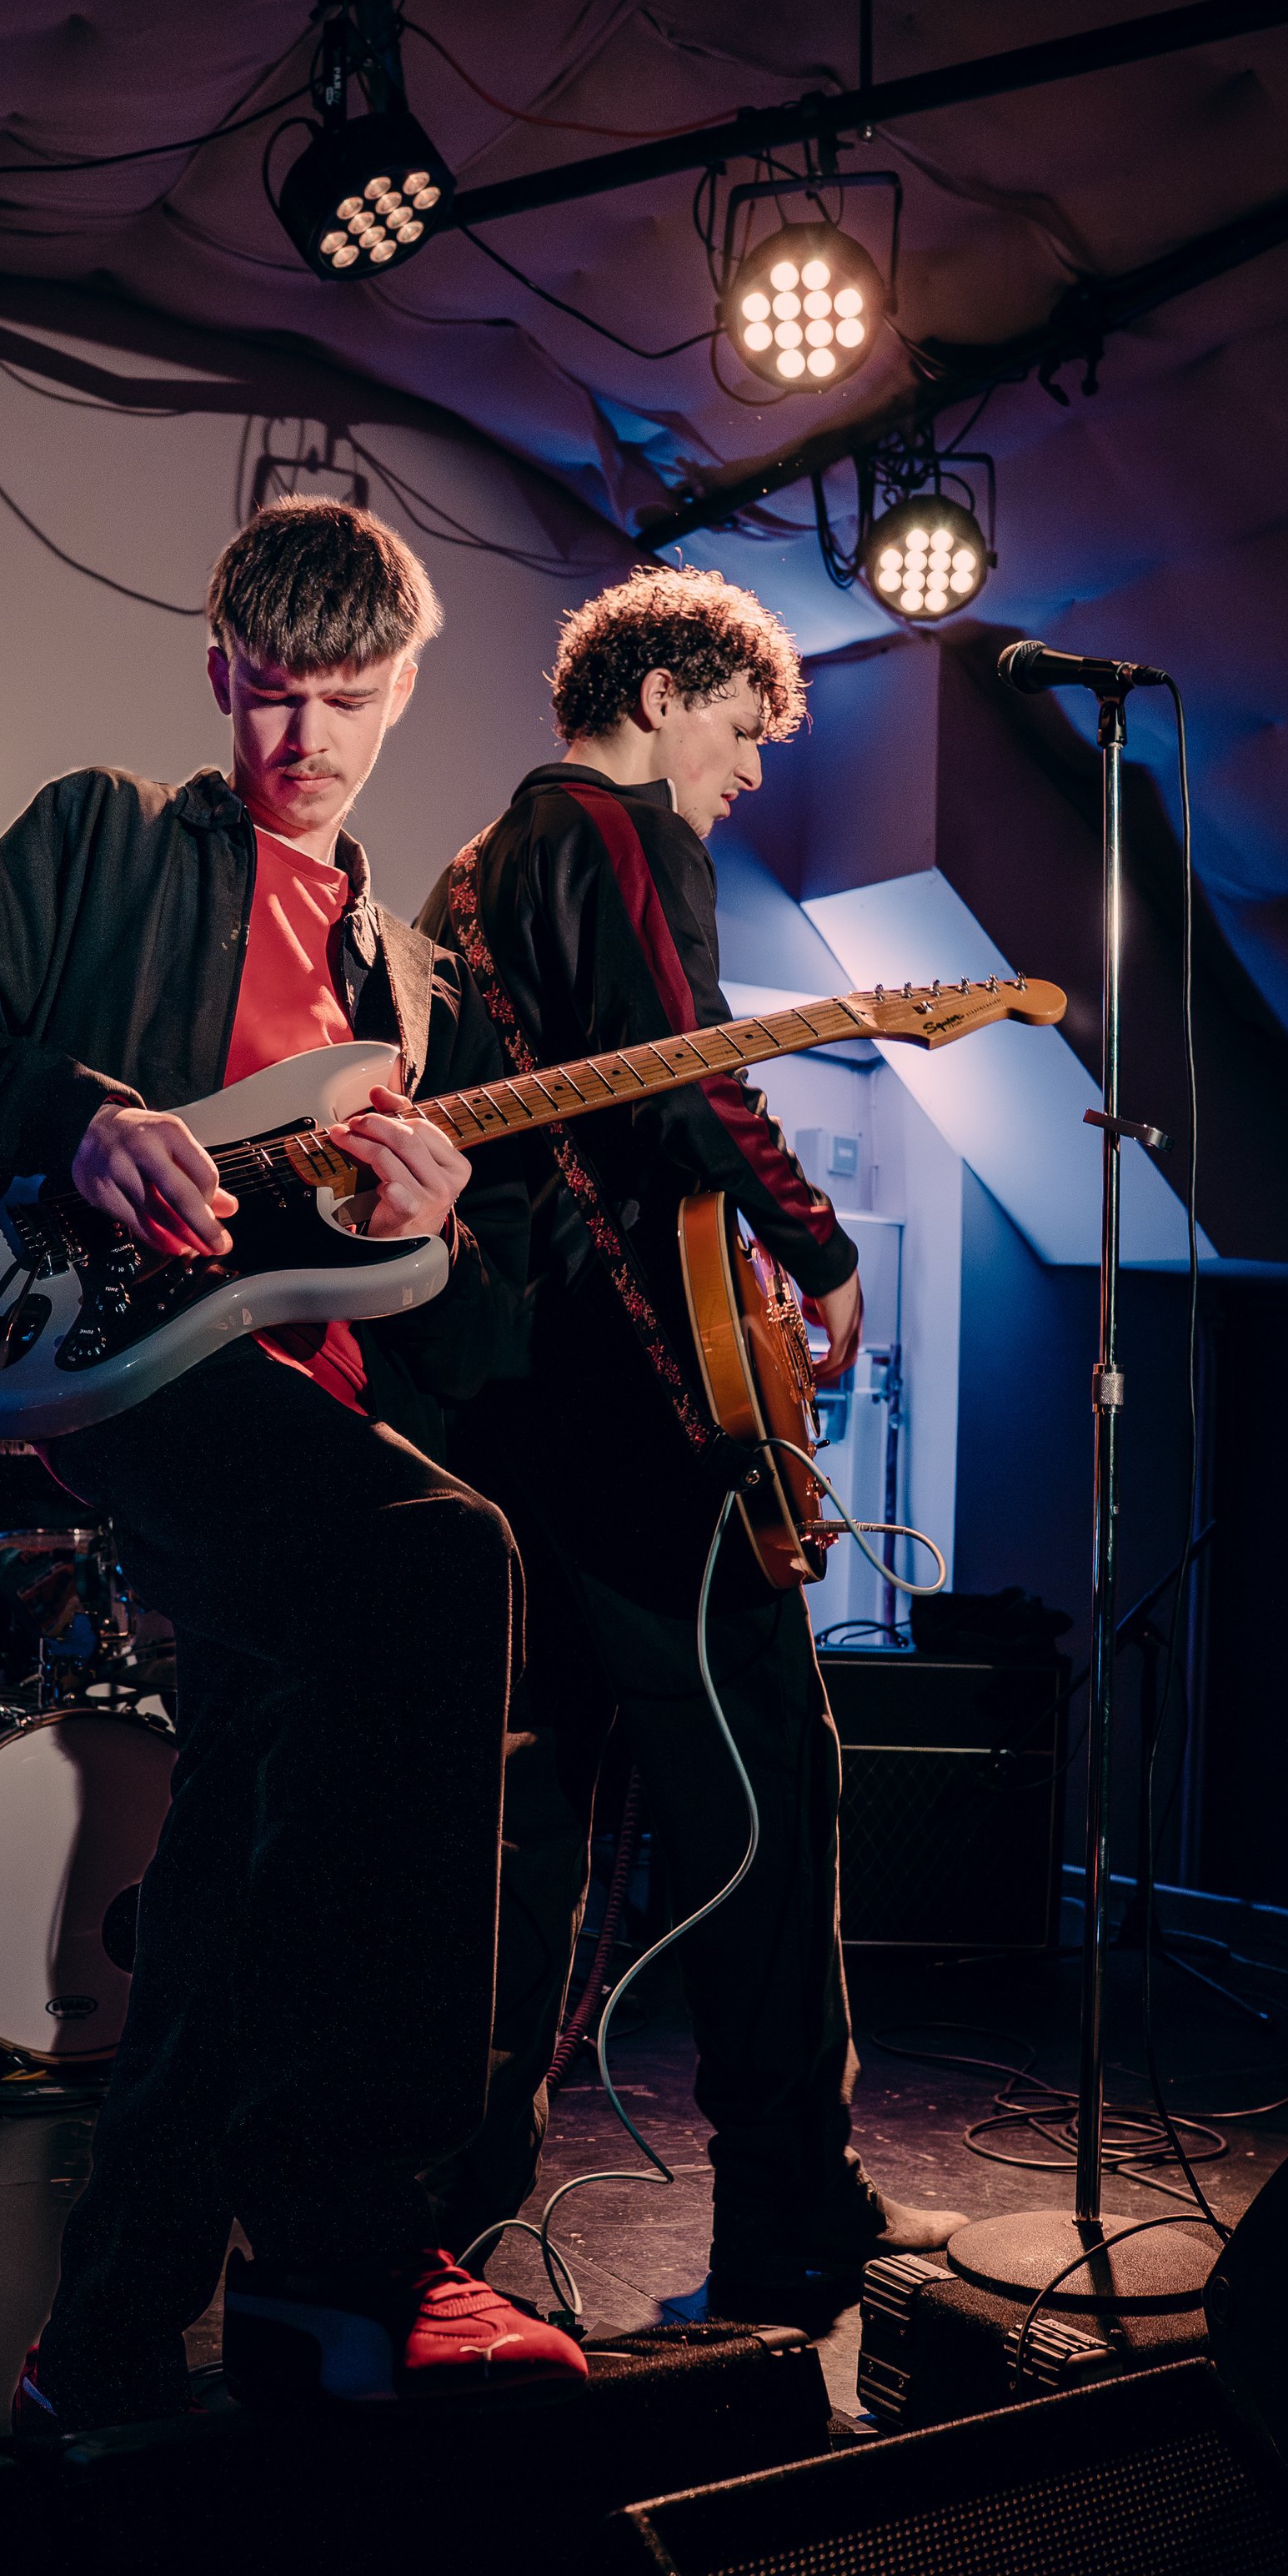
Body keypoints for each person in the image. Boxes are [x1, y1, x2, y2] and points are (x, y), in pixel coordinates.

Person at [0, 498, 586, 2425]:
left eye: (344, 700)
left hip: (298, 1393)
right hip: (102, 1359)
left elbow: (441, 1303)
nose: (302, 741)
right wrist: (74, 1116)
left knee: (239, 1868)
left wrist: (440, 1213)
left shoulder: (409, 983)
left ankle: (101, 2336)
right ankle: (355, 2226)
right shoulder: (104, 832)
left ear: (407, 688)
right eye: (266, 696)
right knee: (437, 1562)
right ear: (214, 674)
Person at [420, 563, 961, 2311]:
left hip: (501, 1413)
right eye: (737, 733)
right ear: (660, 692)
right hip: (635, 1417)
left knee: (534, 1829)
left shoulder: (471, 866)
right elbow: (679, 1067)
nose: (743, 777)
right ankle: (790, 2210)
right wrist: (811, 1246)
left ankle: (442, 2219)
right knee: (762, 1796)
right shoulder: (619, 832)